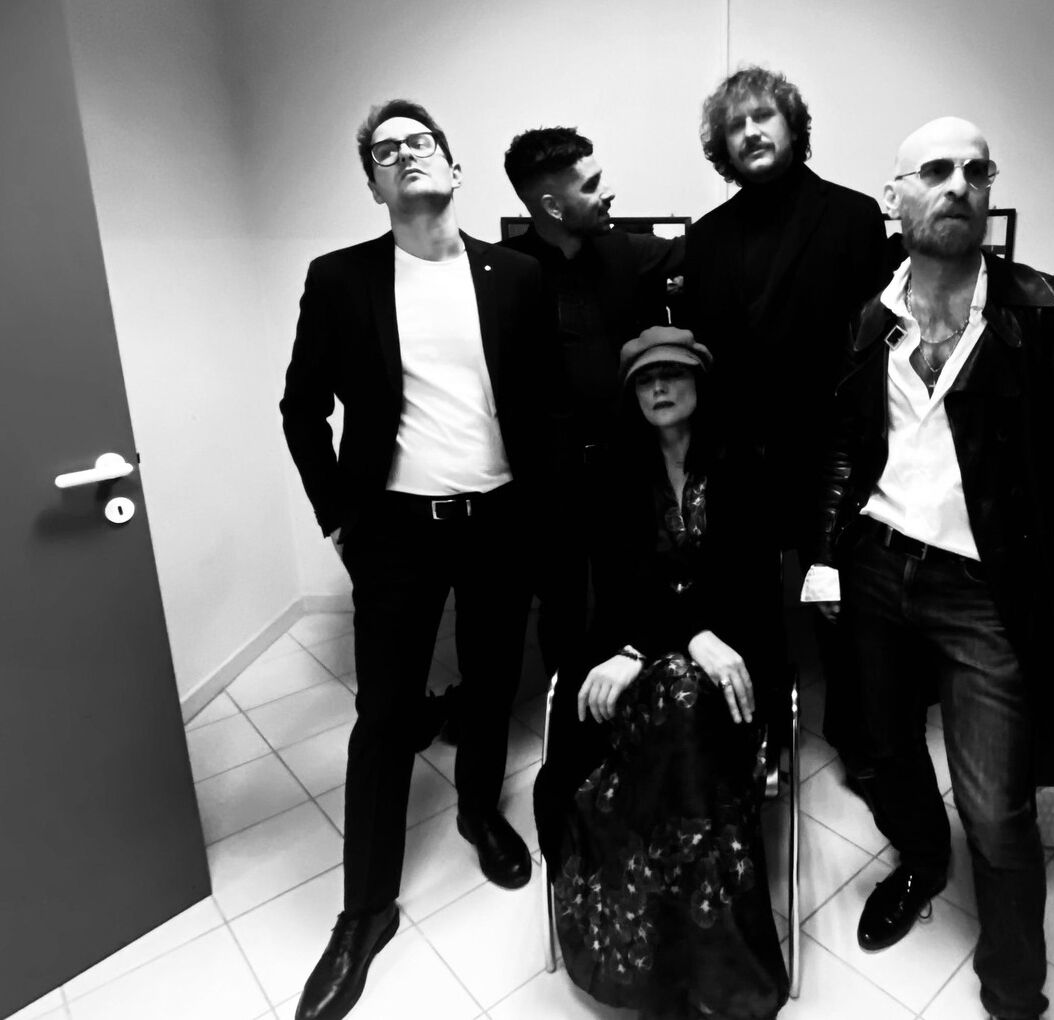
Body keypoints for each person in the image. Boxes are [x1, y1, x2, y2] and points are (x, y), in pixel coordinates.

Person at [804, 117, 1054, 1020]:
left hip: (987, 588)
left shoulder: (1044, 308)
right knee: (884, 749)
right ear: (894, 196)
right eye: (935, 170)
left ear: (990, 191)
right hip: (876, 569)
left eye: (976, 171)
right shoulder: (868, 314)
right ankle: (920, 860)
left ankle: (1015, 995)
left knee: (995, 804)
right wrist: (827, 553)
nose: (957, 185)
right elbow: (845, 444)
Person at [280, 99, 549, 1020]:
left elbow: (540, 399)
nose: (404, 155)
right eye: (385, 151)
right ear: (374, 185)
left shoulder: (515, 275)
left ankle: (479, 810)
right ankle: (365, 911)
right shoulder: (341, 278)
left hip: (500, 519)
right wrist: (337, 517)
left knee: (491, 680)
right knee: (385, 715)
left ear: (453, 167)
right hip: (394, 529)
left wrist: (541, 505)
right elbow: (301, 408)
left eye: (419, 142)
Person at [534, 327, 789, 1020]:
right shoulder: (614, 474)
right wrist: (657, 644)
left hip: (734, 665)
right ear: (632, 395)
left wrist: (696, 636)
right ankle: (704, 970)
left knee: (684, 703)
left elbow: (750, 588)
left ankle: (665, 975)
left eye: (672, 374)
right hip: (638, 665)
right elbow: (621, 589)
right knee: (675, 697)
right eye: (646, 380)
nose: (659, 388)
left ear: (699, 383)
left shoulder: (744, 466)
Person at [683, 66, 885, 780]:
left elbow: (875, 345)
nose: (750, 132)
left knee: (838, 606)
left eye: (763, 117)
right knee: (748, 607)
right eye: (735, 126)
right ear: (723, 147)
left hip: (830, 453)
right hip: (740, 455)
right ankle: (760, 730)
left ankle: (858, 741)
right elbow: (704, 355)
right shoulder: (707, 237)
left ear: (793, 127)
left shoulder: (854, 216)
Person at [500, 126, 684, 677]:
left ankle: (623, 702)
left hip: (626, 465)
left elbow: (713, 252)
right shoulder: (506, 273)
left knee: (627, 590)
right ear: (552, 206)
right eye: (592, 185)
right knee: (560, 604)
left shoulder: (627, 252)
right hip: (546, 479)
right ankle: (568, 707)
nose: (609, 192)